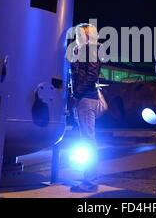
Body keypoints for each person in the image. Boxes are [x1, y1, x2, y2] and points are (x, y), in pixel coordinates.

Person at [69, 23, 102, 192]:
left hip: (86, 98)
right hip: (83, 98)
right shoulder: (81, 50)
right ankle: (89, 180)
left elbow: (92, 75)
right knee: (86, 139)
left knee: (88, 140)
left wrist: (77, 93)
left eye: (79, 34)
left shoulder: (92, 50)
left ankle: (90, 182)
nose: (76, 37)